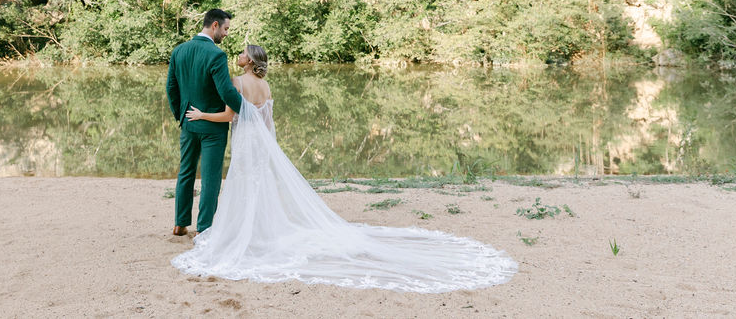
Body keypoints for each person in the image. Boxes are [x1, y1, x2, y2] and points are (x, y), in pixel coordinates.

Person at [172, 44, 518, 293]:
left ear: (250, 60)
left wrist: (201, 114)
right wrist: (271, 147)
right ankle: (261, 232)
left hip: (246, 141)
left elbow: (232, 111)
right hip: (261, 144)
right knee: (256, 187)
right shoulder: (265, 84)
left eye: (245, 52)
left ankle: (246, 236)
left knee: (241, 187)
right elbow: (268, 120)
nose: (240, 54)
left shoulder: (238, 82)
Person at [165, 9, 243, 236]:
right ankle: (204, 228)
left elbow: (171, 88)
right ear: (215, 25)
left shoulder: (179, 51)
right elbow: (226, 92)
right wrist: (248, 111)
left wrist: (180, 115)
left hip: (188, 123)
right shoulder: (216, 55)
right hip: (213, 128)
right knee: (210, 178)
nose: (226, 34)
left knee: (186, 172)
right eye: (226, 29)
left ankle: (180, 225)